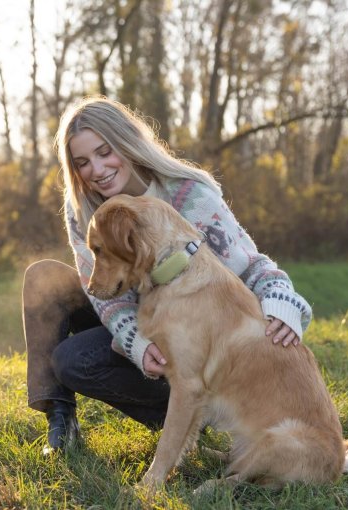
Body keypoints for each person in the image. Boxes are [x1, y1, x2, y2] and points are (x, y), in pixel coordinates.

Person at [22, 96, 312, 455]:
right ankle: (61, 421)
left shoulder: (187, 193)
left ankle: (189, 409)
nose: (96, 170)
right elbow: (100, 290)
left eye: (104, 151)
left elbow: (248, 264)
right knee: (42, 278)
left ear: (127, 143)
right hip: (135, 316)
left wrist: (281, 297)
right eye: (82, 162)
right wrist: (135, 343)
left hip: (188, 335)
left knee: (74, 358)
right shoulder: (82, 207)